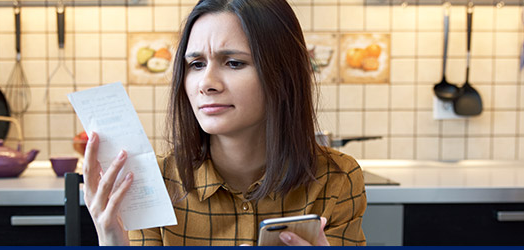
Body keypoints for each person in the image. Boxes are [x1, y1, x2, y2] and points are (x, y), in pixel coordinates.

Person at [81, 0, 366, 246]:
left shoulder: (336, 178)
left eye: (233, 63)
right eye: (196, 65)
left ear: (282, 75)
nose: (206, 84)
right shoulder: (155, 182)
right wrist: (112, 241)